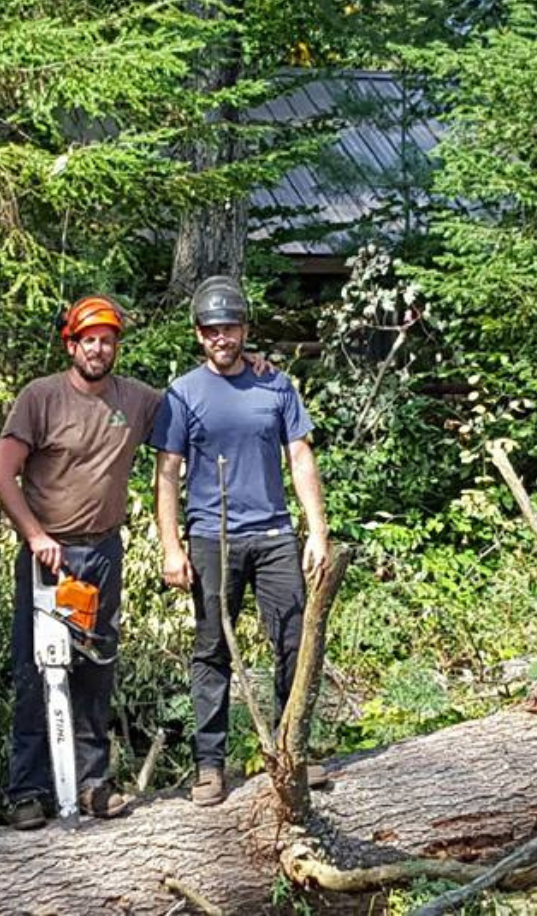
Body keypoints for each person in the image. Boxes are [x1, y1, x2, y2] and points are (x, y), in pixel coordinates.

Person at [151, 275, 331, 807]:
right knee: (211, 649)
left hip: (274, 534)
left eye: (229, 327)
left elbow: (300, 456)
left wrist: (316, 529)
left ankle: (293, 749)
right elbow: (166, 472)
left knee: (294, 641)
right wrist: (171, 545)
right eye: (211, 329)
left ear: (244, 330)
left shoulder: (275, 385)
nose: (220, 337)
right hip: (211, 537)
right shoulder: (183, 393)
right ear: (198, 334)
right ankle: (210, 766)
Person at [0, 295, 158, 830]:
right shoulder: (41, 398)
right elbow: (2, 475)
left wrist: (252, 367)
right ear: (72, 344)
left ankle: (92, 785)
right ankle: (28, 791)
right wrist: (35, 535)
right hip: (51, 557)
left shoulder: (135, 399)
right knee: (39, 669)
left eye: (107, 340)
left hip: (102, 551)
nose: (99, 348)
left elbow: (195, 407)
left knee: (95, 669)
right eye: (90, 339)